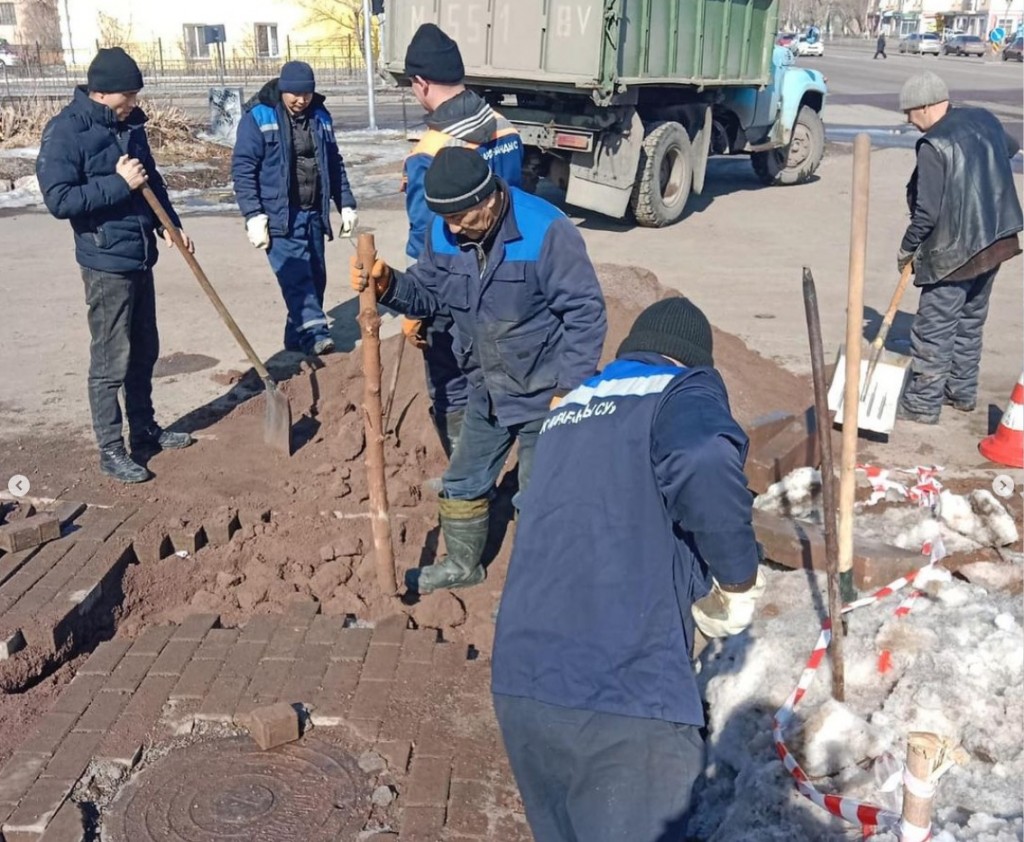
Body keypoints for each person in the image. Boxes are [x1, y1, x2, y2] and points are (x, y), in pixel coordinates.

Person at [491, 297, 766, 842]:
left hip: (523, 684)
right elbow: (704, 457)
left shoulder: (569, 408)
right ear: (691, 361)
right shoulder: (682, 389)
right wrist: (736, 578)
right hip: (622, 695)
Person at [350, 147, 606, 594]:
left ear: (488, 199)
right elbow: (428, 295)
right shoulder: (442, 230)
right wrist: (388, 283)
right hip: (486, 388)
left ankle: (539, 583)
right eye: (445, 219)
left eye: (462, 218)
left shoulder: (546, 230)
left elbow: (585, 312)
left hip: (545, 391)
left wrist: (571, 389)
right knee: (463, 482)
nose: (452, 229)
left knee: (540, 493)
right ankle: (464, 565)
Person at [37, 47, 195, 484]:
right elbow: (60, 200)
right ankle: (111, 448)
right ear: (102, 93)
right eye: (129, 95)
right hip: (105, 260)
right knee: (111, 359)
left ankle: (144, 429)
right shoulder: (66, 132)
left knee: (145, 349)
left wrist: (170, 226)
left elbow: (151, 180)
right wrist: (117, 183)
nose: (135, 103)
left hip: (141, 252)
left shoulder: (129, 126)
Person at [399, 23, 525, 457]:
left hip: (453, 285)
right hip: (508, 275)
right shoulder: (505, 128)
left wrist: (416, 308)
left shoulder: (430, 150)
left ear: (421, 82)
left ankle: (464, 468)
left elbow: (425, 237)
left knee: (452, 378)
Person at [896, 72, 1022, 425]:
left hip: (955, 252)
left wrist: (907, 248)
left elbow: (927, 213)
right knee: (969, 321)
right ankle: (961, 393)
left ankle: (922, 404)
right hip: (996, 241)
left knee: (934, 328)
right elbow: (1009, 148)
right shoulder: (982, 118)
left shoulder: (934, 145)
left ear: (925, 107)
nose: (908, 120)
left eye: (910, 112)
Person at [232, 60, 357, 356]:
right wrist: (253, 215)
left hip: (312, 213)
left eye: (307, 95)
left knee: (315, 276)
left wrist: (346, 203)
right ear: (283, 90)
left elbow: (333, 163)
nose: (301, 101)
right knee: (298, 277)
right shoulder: (258, 117)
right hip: (278, 216)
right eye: (295, 95)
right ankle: (315, 334)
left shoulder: (321, 116)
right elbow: (243, 168)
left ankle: (295, 337)